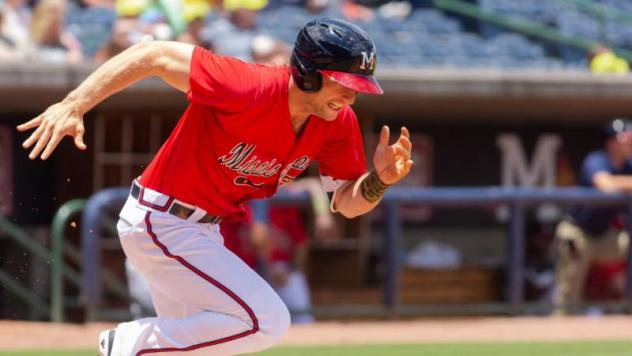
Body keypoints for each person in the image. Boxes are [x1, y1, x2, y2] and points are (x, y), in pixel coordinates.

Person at [17, 17, 413, 356]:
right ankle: (129, 345)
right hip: (161, 220)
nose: (352, 94)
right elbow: (150, 56)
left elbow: (346, 203)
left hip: (202, 231)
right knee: (267, 320)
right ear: (308, 73)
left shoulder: (337, 123)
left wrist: (380, 180)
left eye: (359, 85)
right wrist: (74, 104)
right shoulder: (247, 86)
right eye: (343, 82)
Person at [553, 118, 632, 315]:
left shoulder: (628, 165)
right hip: (578, 231)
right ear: (612, 142)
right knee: (569, 291)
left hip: (604, 235)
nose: (630, 143)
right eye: (626, 139)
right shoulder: (596, 160)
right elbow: (605, 185)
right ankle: (559, 325)